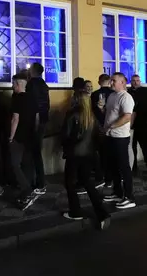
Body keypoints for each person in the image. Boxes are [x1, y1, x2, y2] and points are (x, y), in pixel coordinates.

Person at [61, 92, 110, 229]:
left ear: (76, 100)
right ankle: (102, 213)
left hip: (74, 154)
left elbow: (65, 135)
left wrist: (66, 146)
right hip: (89, 154)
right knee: (88, 182)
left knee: (70, 183)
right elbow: (100, 133)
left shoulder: (72, 114)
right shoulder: (91, 115)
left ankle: (75, 210)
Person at [101, 72, 136, 209]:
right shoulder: (112, 96)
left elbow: (127, 117)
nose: (111, 83)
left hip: (120, 137)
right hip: (110, 136)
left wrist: (111, 126)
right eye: (111, 80)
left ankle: (129, 197)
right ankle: (117, 192)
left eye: (114, 81)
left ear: (122, 82)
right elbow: (110, 114)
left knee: (124, 167)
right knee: (113, 166)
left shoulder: (126, 97)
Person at [9, 73, 39, 210]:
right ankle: (27, 191)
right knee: (27, 164)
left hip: (19, 136)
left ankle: (27, 191)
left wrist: (11, 136)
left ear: (18, 84)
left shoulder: (17, 99)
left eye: (13, 84)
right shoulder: (32, 98)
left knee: (14, 164)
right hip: (30, 135)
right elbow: (37, 117)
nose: (12, 86)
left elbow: (15, 119)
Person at [26, 63, 50, 195]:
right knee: (36, 152)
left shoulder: (32, 84)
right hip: (42, 120)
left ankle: (39, 182)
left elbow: (34, 105)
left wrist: (34, 122)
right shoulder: (43, 84)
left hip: (35, 122)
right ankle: (38, 181)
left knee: (34, 153)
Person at [128, 74, 147, 175]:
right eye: (133, 80)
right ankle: (133, 167)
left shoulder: (146, 91)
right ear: (131, 81)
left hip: (143, 123)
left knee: (145, 146)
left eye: (137, 80)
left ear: (140, 81)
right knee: (132, 146)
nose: (135, 82)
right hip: (131, 124)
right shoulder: (128, 92)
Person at [91, 74, 114, 188]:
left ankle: (101, 176)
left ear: (99, 81)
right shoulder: (113, 94)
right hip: (111, 125)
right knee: (110, 153)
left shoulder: (94, 94)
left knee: (100, 152)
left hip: (98, 126)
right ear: (109, 81)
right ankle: (110, 178)